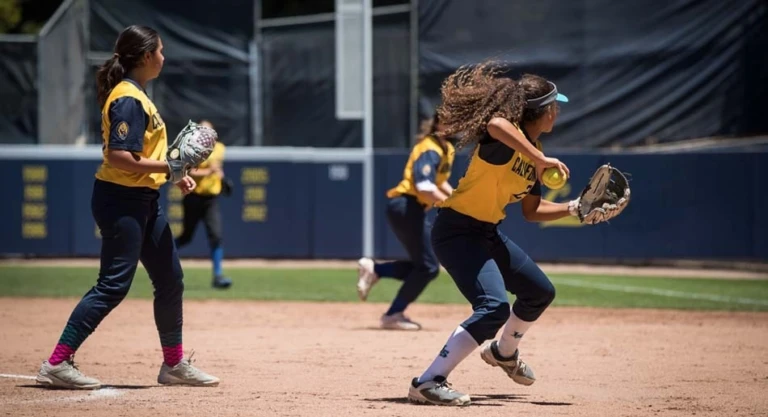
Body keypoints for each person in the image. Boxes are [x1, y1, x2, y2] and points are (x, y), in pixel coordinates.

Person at [35, 25, 220, 390]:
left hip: (143, 199)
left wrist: (172, 173)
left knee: (170, 280)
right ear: (146, 56)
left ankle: (173, 364)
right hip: (120, 199)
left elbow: (143, 157)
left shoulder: (138, 95)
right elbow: (120, 157)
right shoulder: (127, 99)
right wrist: (170, 167)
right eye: (161, 51)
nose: (164, 58)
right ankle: (56, 363)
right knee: (113, 285)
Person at [406, 61, 593, 406]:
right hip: (457, 231)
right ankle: (428, 381)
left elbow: (531, 211)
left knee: (539, 292)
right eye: (555, 106)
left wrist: (575, 208)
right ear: (542, 111)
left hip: (486, 233)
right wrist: (541, 158)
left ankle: (503, 352)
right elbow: (495, 123)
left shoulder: (530, 155)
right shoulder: (509, 141)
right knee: (493, 307)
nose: (558, 112)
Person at [356, 113, 455, 331]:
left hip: (409, 208)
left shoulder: (446, 148)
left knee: (423, 266)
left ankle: (376, 270)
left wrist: (457, 199)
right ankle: (392, 314)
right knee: (428, 267)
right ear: (438, 122)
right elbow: (425, 187)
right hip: (405, 205)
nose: (454, 123)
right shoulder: (430, 148)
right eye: (449, 119)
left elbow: (441, 182)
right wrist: (453, 206)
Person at [175, 120, 232, 289]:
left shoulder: (219, 148)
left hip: (210, 199)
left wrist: (221, 178)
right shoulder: (191, 148)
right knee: (186, 237)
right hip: (193, 197)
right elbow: (188, 171)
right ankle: (160, 263)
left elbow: (217, 167)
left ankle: (218, 275)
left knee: (216, 236)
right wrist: (209, 171)